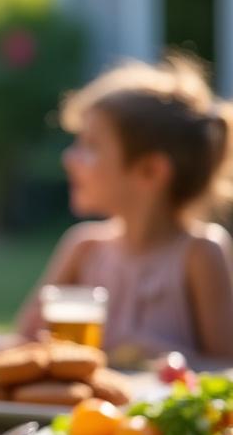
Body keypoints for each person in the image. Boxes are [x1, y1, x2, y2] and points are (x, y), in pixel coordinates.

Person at [17, 55, 233, 360]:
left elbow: (225, 371)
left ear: (151, 172)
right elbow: (18, 348)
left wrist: (160, 356)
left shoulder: (199, 254)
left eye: (91, 147)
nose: (69, 158)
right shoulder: (84, 247)